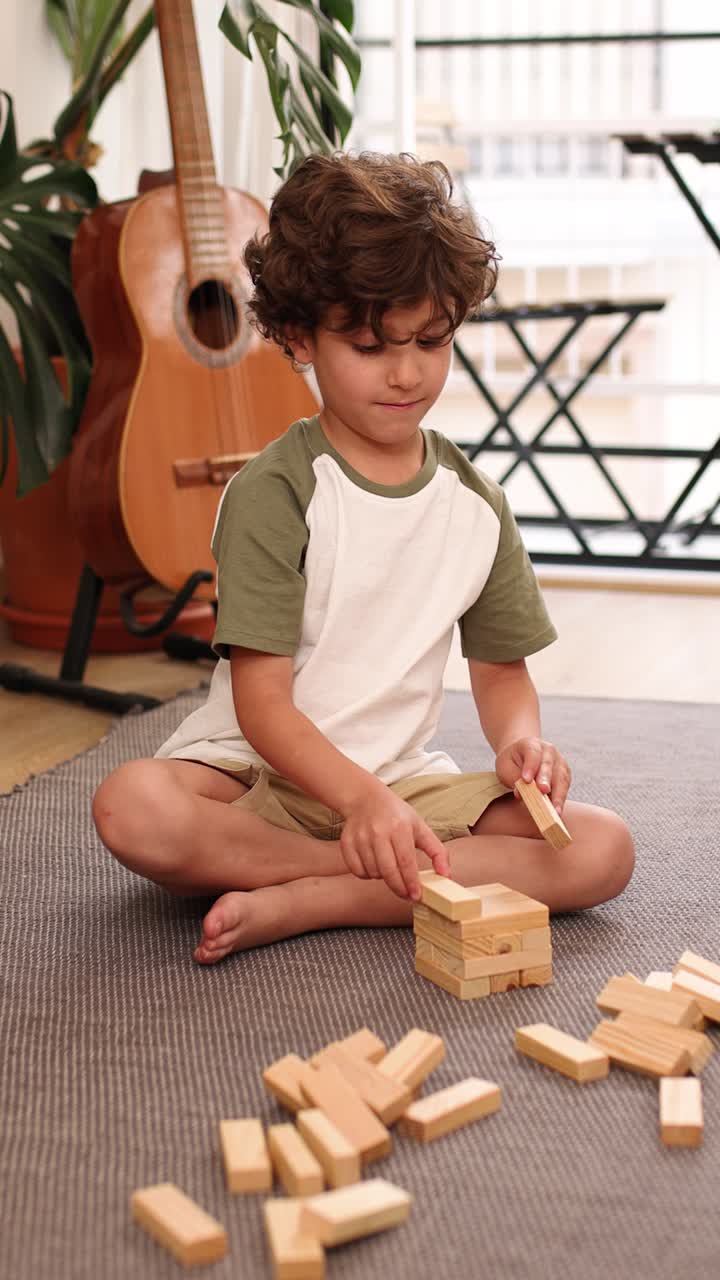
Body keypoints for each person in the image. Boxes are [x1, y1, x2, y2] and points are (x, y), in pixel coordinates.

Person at [92, 152, 635, 965]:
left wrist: (520, 743)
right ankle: (371, 873)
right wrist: (361, 805)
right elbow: (264, 707)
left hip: (406, 779)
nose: (408, 372)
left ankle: (321, 896)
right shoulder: (274, 493)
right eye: (371, 345)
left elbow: (500, 673)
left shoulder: (475, 503)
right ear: (299, 336)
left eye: (431, 339)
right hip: (258, 778)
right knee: (131, 807)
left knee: (603, 848)